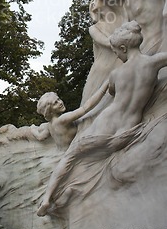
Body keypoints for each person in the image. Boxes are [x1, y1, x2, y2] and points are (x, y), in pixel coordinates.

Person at [37, 21, 167, 217]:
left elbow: (112, 92)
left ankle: (47, 198)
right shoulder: (153, 62)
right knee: (97, 163)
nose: (117, 55)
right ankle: (72, 190)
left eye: (116, 52)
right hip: (128, 130)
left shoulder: (116, 74)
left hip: (104, 125)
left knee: (71, 158)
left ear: (123, 48)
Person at [31, 82, 109, 151]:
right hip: (71, 154)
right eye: (55, 103)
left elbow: (40, 137)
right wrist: (105, 86)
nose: (60, 102)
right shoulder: (62, 119)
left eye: (58, 99)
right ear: (50, 111)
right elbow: (86, 107)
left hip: (59, 155)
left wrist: (33, 129)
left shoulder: (49, 126)